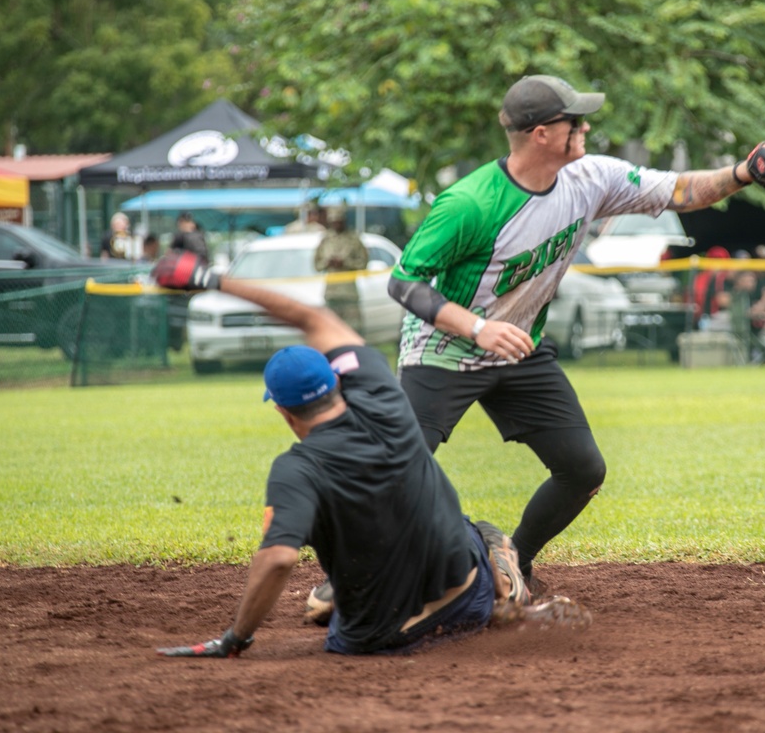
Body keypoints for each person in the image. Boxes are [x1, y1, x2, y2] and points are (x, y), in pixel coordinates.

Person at [386, 74, 765, 588]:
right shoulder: (469, 203)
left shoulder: (592, 177)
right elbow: (405, 282)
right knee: (396, 471)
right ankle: (349, 578)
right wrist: (477, 328)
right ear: (541, 133)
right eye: (573, 120)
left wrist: (743, 170)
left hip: (518, 348)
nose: (585, 126)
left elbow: (678, 190)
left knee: (583, 471)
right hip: (444, 350)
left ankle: (513, 560)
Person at [150, 253, 589, 658]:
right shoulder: (380, 390)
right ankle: (504, 587)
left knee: (327, 596)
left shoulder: (296, 469)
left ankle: (341, 594)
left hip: (378, 635)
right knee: (478, 529)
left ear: (283, 412)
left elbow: (280, 558)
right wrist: (210, 278)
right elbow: (311, 317)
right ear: (337, 381)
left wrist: (236, 637)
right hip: (467, 598)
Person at [314, 205, 369, 333]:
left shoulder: (354, 240)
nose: (336, 224)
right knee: (330, 329)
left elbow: (363, 264)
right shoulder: (325, 240)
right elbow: (317, 265)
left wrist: (346, 263)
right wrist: (328, 263)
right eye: (334, 221)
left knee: (353, 329)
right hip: (331, 292)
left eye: (339, 221)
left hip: (348, 292)